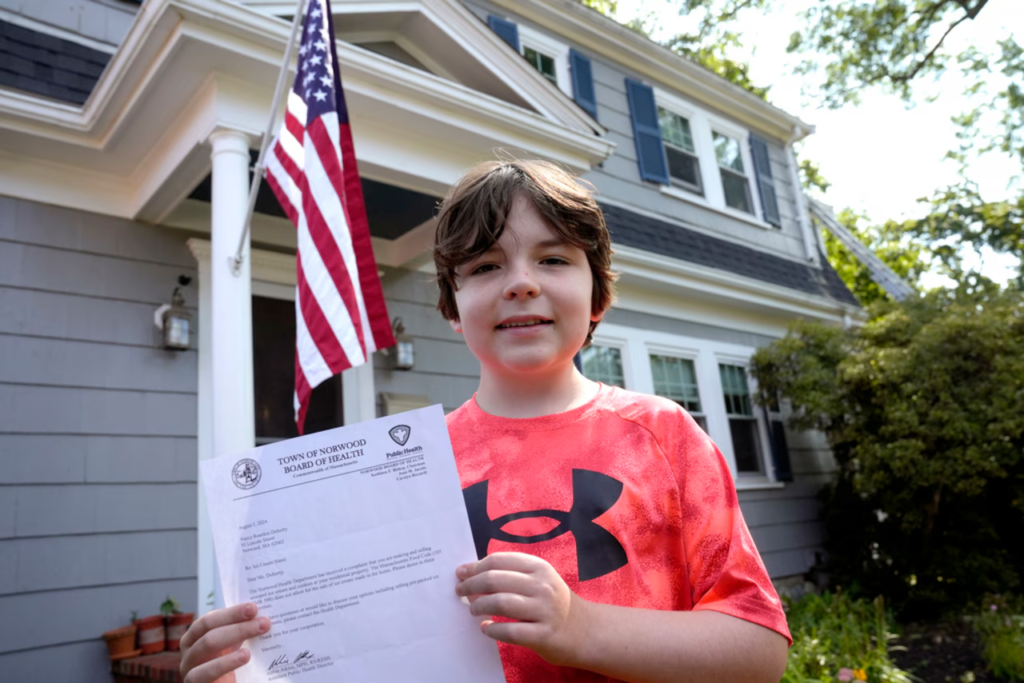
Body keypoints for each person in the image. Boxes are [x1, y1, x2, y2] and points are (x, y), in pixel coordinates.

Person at [179, 160, 791, 683]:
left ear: (598, 294)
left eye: (553, 259)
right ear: (452, 306)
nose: (521, 283)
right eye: (484, 267)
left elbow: (758, 649)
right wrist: (259, 666)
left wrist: (578, 627)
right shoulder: (404, 470)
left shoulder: (663, 434)